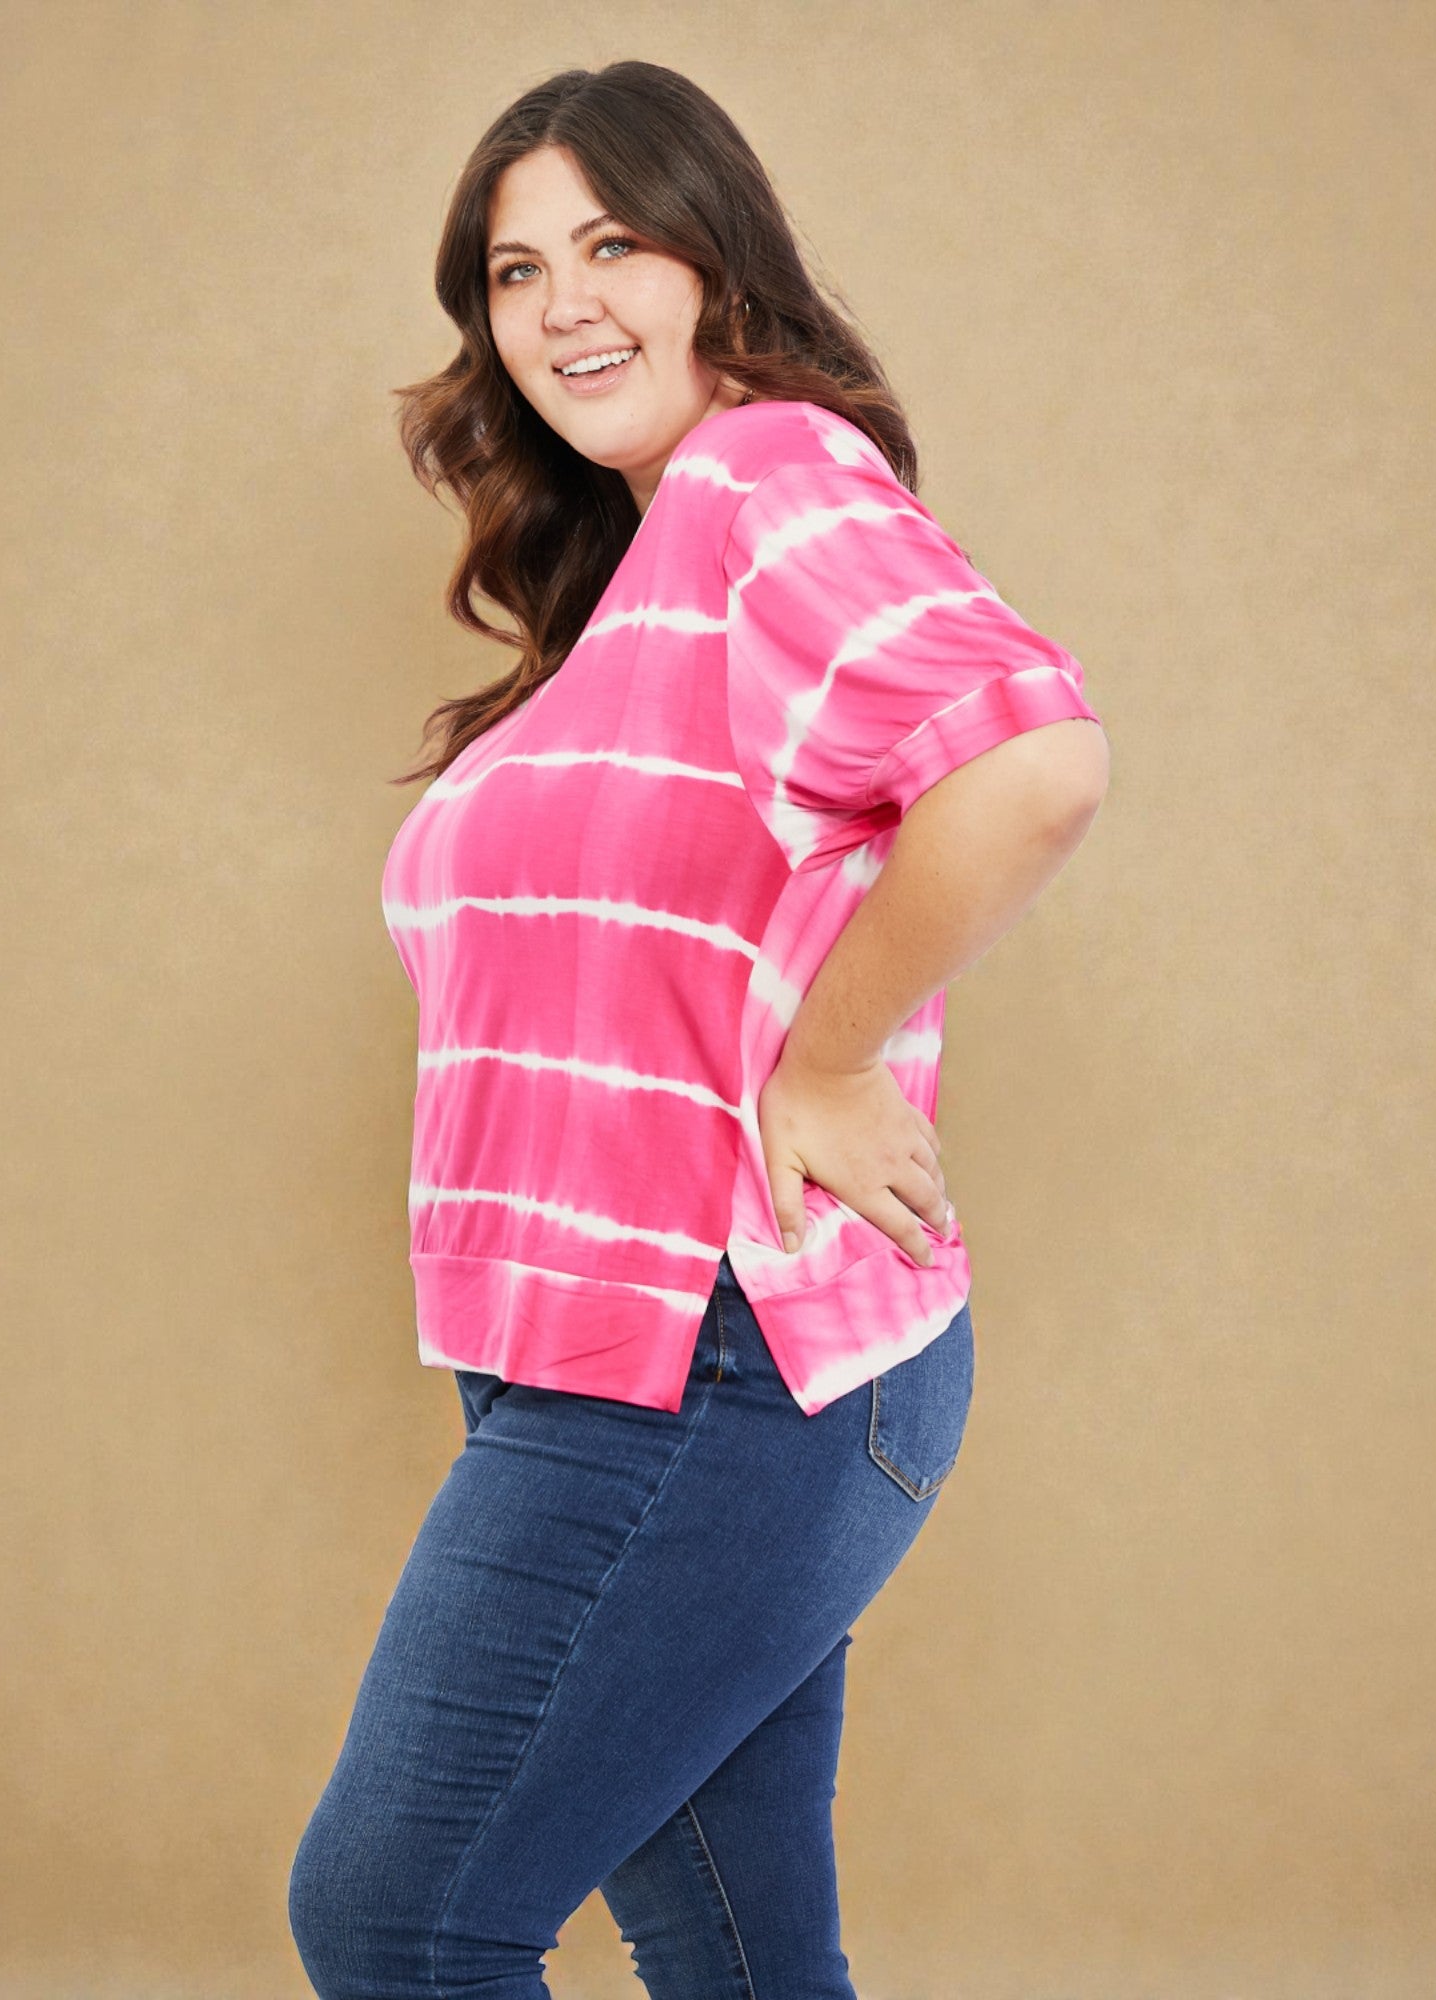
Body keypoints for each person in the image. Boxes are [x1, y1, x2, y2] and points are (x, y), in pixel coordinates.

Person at [288, 59, 1110, 2000]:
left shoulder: (768, 474)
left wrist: (827, 1061)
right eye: (514, 271)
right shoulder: (637, 583)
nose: (561, 305)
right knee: (741, 1961)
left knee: (399, 1917)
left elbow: (1030, 761)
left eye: (613, 246)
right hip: (588, 1357)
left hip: (719, 1358)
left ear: (716, 261)